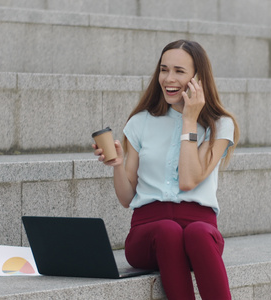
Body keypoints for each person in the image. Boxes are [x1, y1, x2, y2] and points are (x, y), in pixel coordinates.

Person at [93, 39, 239, 300]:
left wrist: (190, 120)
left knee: (196, 232)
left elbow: (188, 179)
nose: (168, 78)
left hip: (200, 236)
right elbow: (127, 198)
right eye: (164, 69)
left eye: (179, 71)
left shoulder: (220, 126)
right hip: (148, 235)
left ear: (198, 79)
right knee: (168, 231)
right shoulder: (140, 122)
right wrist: (117, 166)